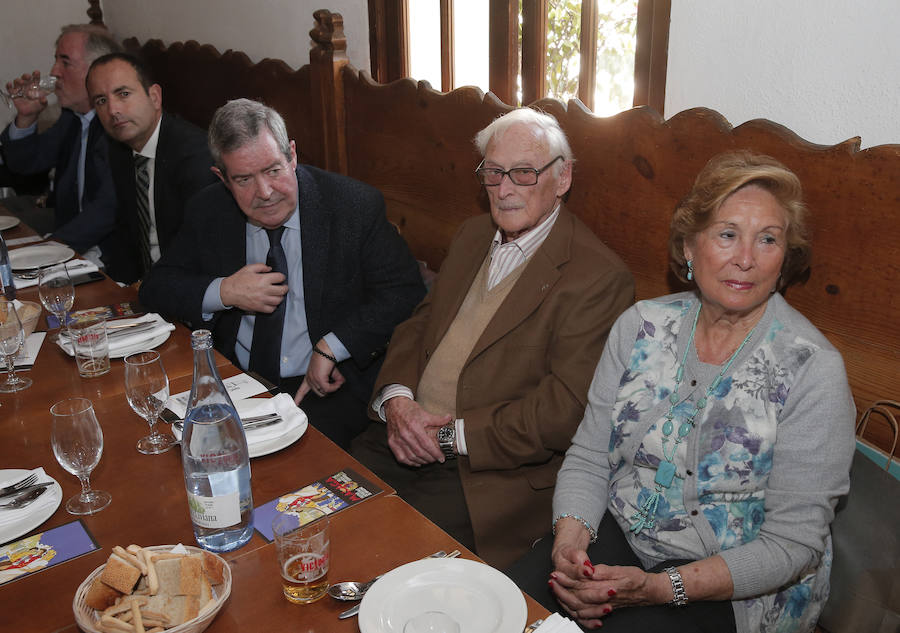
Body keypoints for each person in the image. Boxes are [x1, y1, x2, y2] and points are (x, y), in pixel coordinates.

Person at [508, 151, 855, 633]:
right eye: (728, 234)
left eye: (768, 240)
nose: (746, 258)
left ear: (785, 260)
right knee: (507, 609)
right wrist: (571, 546)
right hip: (622, 536)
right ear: (690, 246)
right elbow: (590, 455)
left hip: (739, 585)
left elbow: (792, 546)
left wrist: (658, 588)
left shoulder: (813, 370)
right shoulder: (641, 326)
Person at [351, 108, 634, 569]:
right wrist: (398, 402)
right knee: (311, 518)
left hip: (483, 475)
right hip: (400, 434)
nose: (504, 190)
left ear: (562, 178)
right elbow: (419, 323)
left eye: (524, 173)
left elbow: (562, 413)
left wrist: (446, 437)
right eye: (494, 173)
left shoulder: (598, 278)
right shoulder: (472, 234)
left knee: (385, 562)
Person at [139, 99, 425, 449]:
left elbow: (404, 293)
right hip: (235, 380)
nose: (265, 192)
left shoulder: (352, 206)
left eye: (273, 170)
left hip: (323, 389)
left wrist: (333, 346)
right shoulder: (209, 209)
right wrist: (224, 291)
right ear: (222, 178)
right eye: (244, 179)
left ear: (292, 155)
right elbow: (155, 288)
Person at [85, 52, 216, 284]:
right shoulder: (119, 149)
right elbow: (127, 236)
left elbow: (198, 250)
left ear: (154, 97)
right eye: (101, 101)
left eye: (123, 94)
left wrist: (149, 290)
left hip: (188, 288)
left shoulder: (194, 155)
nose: (113, 110)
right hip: (143, 286)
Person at [0, 24, 119, 261]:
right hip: (69, 226)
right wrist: (26, 117)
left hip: (108, 248)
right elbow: (24, 164)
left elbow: (108, 209)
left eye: (65, 62)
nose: (54, 71)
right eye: (56, 60)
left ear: (98, 71)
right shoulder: (72, 118)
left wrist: (52, 248)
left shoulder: (117, 125)